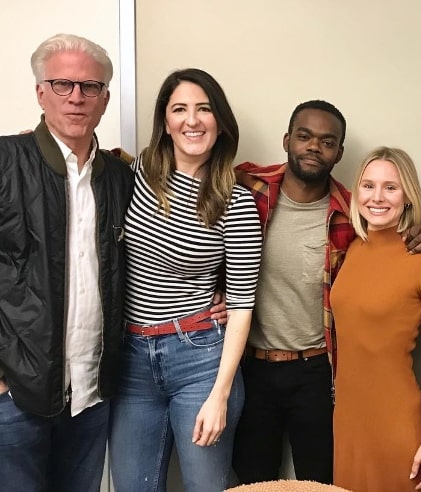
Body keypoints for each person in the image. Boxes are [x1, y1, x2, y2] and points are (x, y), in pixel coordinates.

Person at [227, 100, 421, 484]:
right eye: (304, 136)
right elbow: (195, 198)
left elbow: (391, 227)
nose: (314, 147)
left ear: (339, 153)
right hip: (253, 367)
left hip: (317, 372)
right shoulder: (247, 187)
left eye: (327, 142)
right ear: (287, 139)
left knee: (322, 481)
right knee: (253, 479)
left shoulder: (349, 212)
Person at [108, 68, 262, 492]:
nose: (192, 120)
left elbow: (243, 304)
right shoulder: (133, 174)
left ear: (220, 121)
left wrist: (220, 394)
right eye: (180, 109)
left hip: (201, 362)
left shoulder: (235, 198)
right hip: (131, 361)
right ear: (166, 122)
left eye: (204, 109)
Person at [0, 34, 134, 491]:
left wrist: (213, 293)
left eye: (90, 87)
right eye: (62, 84)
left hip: (92, 396)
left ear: (105, 99)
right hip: (14, 397)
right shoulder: (4, 162)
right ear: (40, 92)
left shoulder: (121, 178)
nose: (76, 98)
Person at [331, 147, 421, 492]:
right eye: (368, 185)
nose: (377, 197)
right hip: (347, 423)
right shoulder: (353, 250)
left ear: (407, 196)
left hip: (397, 425)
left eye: (390, 187)